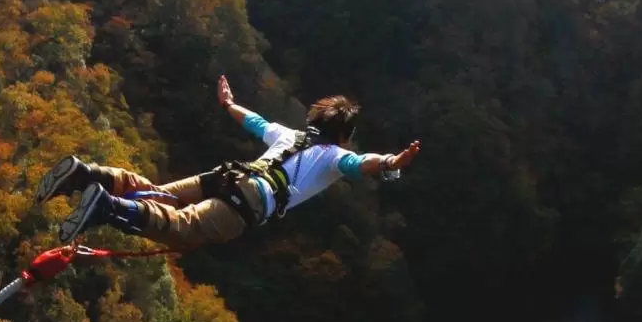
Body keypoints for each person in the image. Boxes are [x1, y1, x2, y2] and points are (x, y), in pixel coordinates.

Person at [35, 75, 421, 247]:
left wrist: (228, 103)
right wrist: (391, 161)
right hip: (250, 201)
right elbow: (361, 164)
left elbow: (255, 122)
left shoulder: (290, 135)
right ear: (344, 136)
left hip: (228, 176)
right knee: (179, 226)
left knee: (153, 194)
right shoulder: (335, 156)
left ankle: (86, 175)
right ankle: (103, 206)